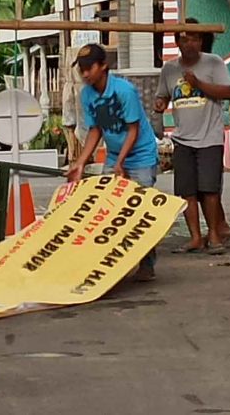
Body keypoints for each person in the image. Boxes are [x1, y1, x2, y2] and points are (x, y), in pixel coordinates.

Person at [67, 44, 161, 282]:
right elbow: (95, 130)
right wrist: (80, 162)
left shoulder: (124, 91)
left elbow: (133, 129)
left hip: (140, 154)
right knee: (106, 208)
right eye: (82, 70)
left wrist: (121, 162)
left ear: (103, 67)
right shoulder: (87, 94)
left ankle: (147, 262)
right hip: (114, 154)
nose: (85, 74)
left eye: (89, 69)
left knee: (140, 210)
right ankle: (110, 264)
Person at [156, 20, 230, 255]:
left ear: (200, 41)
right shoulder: (169, 69)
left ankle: (214, 234)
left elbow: (228, 92)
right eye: (184, 38)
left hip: (210, 137)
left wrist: (198, 83)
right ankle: (195, 237)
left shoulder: (214, 62)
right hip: (182, 138)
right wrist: (161, 103)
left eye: (193, 38)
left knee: (210, 190)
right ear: (177, 41)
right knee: (186, 191)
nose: (188, 42)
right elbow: (163, 95)